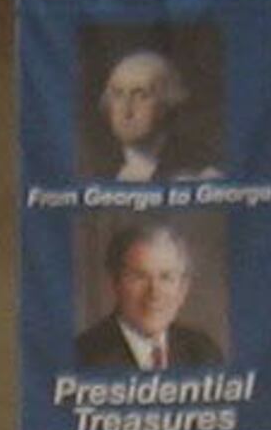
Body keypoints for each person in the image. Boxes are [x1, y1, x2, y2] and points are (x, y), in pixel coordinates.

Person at [71, 217, 222, 371]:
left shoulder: (203, 353)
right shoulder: (81, 357)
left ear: (183, 289)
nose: (154, 293)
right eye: (139, 277)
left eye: (166, 277)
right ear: (115, 285)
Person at [89, 46, 215, 185]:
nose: (126, 110)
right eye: (118, 94)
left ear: (166, 103)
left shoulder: (200, 174)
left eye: (141, 96)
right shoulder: (97, 173)